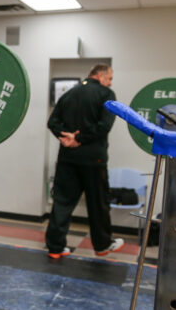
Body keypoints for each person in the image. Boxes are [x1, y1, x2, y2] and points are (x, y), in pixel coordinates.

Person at [45, 64, 124, 259]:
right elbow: (104, 126)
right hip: (93, 159)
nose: (110, 82)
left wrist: (65, 137)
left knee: (62, 202)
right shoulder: (107, 94)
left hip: (67, 158)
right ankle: (102, 246)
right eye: (110, 78)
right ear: (100, 75)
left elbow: (52, 122)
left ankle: (55, 248)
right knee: (98, 204)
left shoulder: (69, 94)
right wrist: (79, 139)